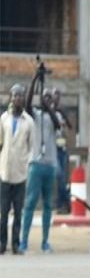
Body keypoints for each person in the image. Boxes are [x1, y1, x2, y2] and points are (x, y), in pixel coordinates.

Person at [20, 76, 60, 254]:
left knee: (48, 206)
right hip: (35, 164)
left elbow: (58, 125)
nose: (47, 100)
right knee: (29, 204)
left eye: (49, 97)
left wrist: (49, 107)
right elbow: (27, 104)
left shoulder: (54, 116)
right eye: (45, 97)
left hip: (50, 166)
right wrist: (35, 79)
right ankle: (23, 241)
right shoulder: (34, 115)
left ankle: (45, 241)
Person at [0, 84, 35, 254]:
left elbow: (32, 148)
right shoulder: (4, 119)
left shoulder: (29, 122)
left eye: (20, 96)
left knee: (18, 213)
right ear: (11, 98)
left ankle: (15, 244)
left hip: (20, 175)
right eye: (14, 96)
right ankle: (2, 244)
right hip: (5, 173)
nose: (17, 99)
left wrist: (25, 163)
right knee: (3, 213)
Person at [52, 87, 72, 213]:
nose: (56, 97)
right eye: (55, 95)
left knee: (62, 178)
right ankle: (64, 202)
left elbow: (70, 126)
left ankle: (63, 204)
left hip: (62, 149)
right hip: (52, 149)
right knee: (59, 176)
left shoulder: (62, 111)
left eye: (58, 95)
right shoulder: (49, 111)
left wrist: (62, 112)